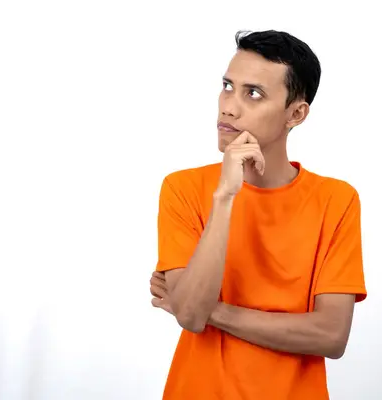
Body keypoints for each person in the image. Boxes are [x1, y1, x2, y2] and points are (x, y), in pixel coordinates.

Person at [149, 29, 367, 400]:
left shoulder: (336, 200)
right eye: (227, 86)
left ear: (296, 114)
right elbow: (189, 315)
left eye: (253, 93)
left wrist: (210, 310)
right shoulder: (182, 189)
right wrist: (225, 197)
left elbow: (330, 335)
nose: (228, 106)